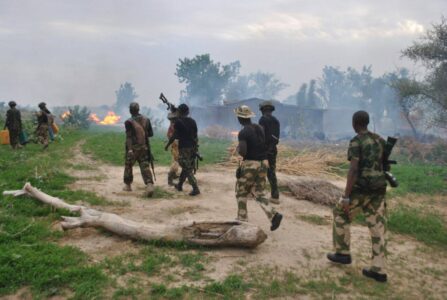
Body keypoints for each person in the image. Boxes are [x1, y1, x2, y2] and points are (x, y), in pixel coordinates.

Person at [327, 111, 388, 283]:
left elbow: (353, 170)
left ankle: (342, 253)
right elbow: (384, 163)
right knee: (377, 227)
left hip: (361, 189)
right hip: (378, 189)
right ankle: (379, 269)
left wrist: (346, 196)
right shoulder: (380, 139)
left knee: (340, 213)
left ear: (355, 123)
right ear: (367, 123)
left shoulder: (356, 141)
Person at [234, 105, 282, 231]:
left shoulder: (243, 132)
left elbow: (243, 152)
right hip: (263, 163)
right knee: (259, 192)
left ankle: (242, 219)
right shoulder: (259, 128)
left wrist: (238, 149)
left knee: (241, 191)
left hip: (251, 164)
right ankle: (273, 215)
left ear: (240, 118)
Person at [165, 104, 200, 196]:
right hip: (193, 147)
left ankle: (196, 188)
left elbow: (175, 135)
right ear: (188, 112)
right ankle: (179, 185)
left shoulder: (178, 122)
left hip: (184, 148)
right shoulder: (193, 121)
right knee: (186, 167)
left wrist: (168, 144)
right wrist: (196, 148)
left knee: (186, 168)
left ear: (179, 112)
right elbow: (196, 136)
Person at [123, 102, 155, 197]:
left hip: (133, 148)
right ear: (138, 109)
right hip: (144, 147)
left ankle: (128, 185)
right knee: (145, 166)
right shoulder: (146, 119)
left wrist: (129, 150)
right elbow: (151, 134)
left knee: (128, 165)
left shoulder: (128, 122)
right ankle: (149, 185)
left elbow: (128, 137)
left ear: (130, 110)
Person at [258, 101, 280, 204]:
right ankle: (275, 196)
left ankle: (258, 193)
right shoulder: (276, 121)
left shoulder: (262, 120)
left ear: (262, 110)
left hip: (263, 149)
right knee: (272, 172)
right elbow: (276, 138)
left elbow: (261, 135)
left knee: (260, 172)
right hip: (273, 150)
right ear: (271, 110)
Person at [166, 111, 180, 186]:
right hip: (176, 143)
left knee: (175, 159)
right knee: (176, 161)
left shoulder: (172, 124)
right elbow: (171, 135)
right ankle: (170, 179)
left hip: (175, 143)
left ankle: (173, 174)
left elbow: (169, 135)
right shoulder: (175, 124)